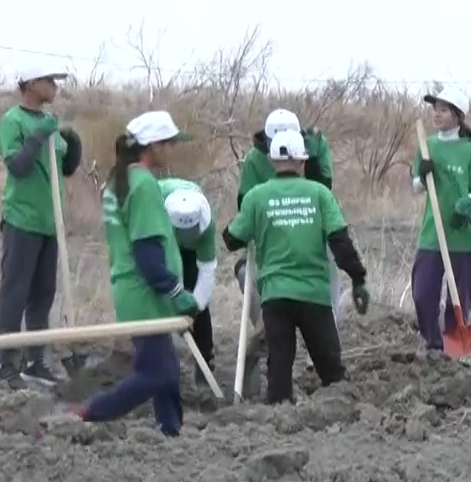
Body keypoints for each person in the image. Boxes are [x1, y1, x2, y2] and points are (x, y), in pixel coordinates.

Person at [221, 129, 371, 404]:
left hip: (276, 295)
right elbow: (340, 241)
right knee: (331, 369)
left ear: (272, 162)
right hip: (314, 294)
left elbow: (231, 240)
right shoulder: (319, 194)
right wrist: (358, 279)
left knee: (279, 366)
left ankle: (279, 419)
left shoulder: (257, 196)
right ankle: (343, 413)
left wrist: (253, 223)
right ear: (303, 162)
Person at [76, 111, 201, 435]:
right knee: (157, 373)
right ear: (153, 146)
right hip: (145, 291)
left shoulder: (119, 181)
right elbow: (147, 253)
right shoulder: (143, 186)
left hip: (131, 290)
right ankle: (91, 413)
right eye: (169, 143)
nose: (173, 150)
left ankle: (170, 430)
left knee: (166, 370)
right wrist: (176, 293)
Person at [0, 68, 83, 385]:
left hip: (49, 221)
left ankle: (36, 361)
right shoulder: (12, 121)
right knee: (15, 291)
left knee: (43, 293)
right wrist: (38, 135)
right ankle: (4, 363)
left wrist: (72, 144)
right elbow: (18, 165)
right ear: (31, 84)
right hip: (22, 218)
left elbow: (65, 169)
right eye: (49, 81)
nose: (55, 87)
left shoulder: (50, 123)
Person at [237, 109, 346, 320]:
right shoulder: (254, 159)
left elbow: (324, 191)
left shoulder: (316, 145)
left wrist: (312, 160)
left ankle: (329, 315)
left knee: (330, 254)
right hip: (272, 225)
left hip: (308, 220)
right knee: (244, 272)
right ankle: (264, 327)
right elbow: (244, 202)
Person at [411, 87, 471, 354]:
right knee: (423, 293)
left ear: (458, 116)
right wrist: (422, 176)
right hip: (433, 234)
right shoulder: (428, 146)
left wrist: (469, 201)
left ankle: (457, 352)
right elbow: (416, 186)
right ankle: (434, 345)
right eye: (435, 109)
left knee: (457, 303)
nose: (437, 114)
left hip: (465, 239)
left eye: (443, 109)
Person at [159, 176, 219, 369]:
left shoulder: (206, 221)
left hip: (192, 249)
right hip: (162, 243)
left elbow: (207, 270)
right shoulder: (155, 204)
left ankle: (205, 358)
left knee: (194, 285)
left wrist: (195, 306)